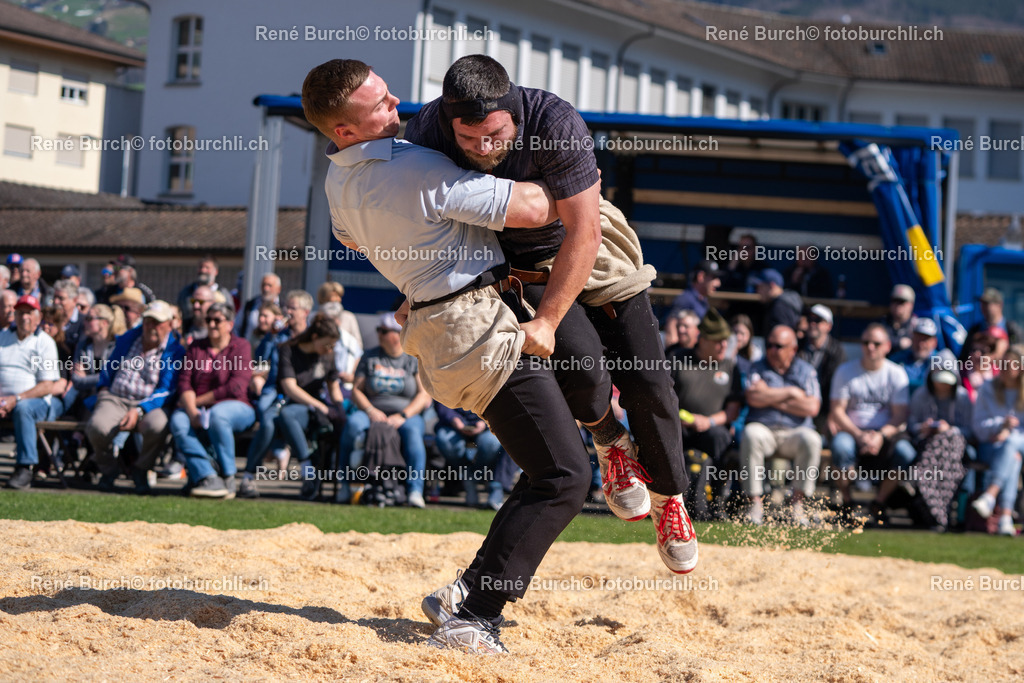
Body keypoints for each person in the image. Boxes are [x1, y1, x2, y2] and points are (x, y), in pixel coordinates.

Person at [302, 58, 695, 654]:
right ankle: (473, 611)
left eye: (389, 96)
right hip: (476, 322)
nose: (396, 109)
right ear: (346, 131)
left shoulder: (340, 181)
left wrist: (414, 264)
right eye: (380, 107)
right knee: (563, 474)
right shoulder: (419, 161)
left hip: (462, 322)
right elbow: (538, 209)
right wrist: (564, 179)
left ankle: (471, 594)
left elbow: (351, 237)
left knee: (614, 396)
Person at [405, 55, 695, 554]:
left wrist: (548, 319)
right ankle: (611, 442)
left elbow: (583, 230)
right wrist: (410, 293)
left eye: (494, 135)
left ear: (513, 111)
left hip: (587, 242)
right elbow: (415, 223)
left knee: (648, 380)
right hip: (517, 257)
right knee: (581, 367)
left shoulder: (554, 121)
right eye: (469, 140)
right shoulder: (427, 131)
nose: (483, 148)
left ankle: (671, 499)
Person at [84, 301, 186, 494]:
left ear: (169, 325)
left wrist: (140, 410)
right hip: (116, 397)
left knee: (158, 426)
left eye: (157, 322)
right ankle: (109, 470)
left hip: (150, 403)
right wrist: (103, 389)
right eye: (147, 321)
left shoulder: (175, 351)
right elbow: (109, 368)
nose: (151, 327)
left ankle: (141, 469)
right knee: (97, 427)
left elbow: (168, 390)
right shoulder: (128, 339)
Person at [337, 313, 432, 507]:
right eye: (383, 331)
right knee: (353, 426)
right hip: (371, 410)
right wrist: (370, 410)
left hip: (406, 413)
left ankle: (415, 491)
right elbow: (356, 390)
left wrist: (403, 416)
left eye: (387, 331)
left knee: (414, 434)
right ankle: (345, 485)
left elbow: (424, 395)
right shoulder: (370, 357)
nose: (381, 335)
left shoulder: (412, 358)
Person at [170, 301, 255, 499]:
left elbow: (236, 387)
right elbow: (184, 382)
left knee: (217, 416)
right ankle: (208, 476)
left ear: (230, 324)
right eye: (209, 320)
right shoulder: (196, 347)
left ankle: (228, 477)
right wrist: (192, 412)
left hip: (237, 406)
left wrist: (197, 402)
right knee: (178, 422)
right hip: (196, 407)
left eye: (218, 320)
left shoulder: (241, 346)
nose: (212, 324)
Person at [828, 323, 914, 515]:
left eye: (876, 343)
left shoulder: (896, 373)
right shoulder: (845, 371)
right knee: (841, 447)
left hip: (886, 433)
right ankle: (847, 503)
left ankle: (879, 503)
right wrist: (859, 435)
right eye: (866, 342)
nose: (870, 347)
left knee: (905, 452)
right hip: (852, 431)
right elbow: (837, 411)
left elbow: (900, 414)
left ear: (887, 346)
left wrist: (880, 436)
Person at [740, 325, 822, 525]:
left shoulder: (806, 370)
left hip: (794, 433)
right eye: (769, 345)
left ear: (793, 349)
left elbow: (812, 407)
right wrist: (792, 393)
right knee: (751, 433)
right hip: (765, 430)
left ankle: (797, 504)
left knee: (812, 439)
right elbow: (752, 397)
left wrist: (768, 394)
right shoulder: (757, 366)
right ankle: (756, 503)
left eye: (778, 346)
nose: (772, 350)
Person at [670, 307, 743, 519]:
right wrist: (682, 417)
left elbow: (732, 411)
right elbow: (663, 397)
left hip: (711, 427)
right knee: (665, 437)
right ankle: (666, 499)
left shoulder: (730, 367)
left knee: (721, 438)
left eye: (725, 341)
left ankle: (716, 500)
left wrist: (708, 421)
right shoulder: (678, 358)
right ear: (702, 340)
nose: (723, 346)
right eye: (718, 341)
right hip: (679, 425)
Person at [275, 313, 346, 500]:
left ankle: (324, 475)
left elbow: (333, 387)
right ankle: (308, 469)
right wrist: (321, 407)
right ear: (314, 337)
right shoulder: (289, 350)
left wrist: (339, 408)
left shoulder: (327, 356)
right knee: (287, 415)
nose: (330, 349)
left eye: (333, 345)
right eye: (327, 344)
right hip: (294, 402)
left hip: (315, 407)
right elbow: (290, 388)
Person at [0, 295, 60, 490]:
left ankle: (25, 467)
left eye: (29, 313)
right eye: (20, 312)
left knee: (23, 409)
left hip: (36, 401)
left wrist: (15, 399)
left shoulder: (45, 343)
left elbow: (47, 386)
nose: (24, 317)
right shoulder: (3, 336)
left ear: (38, 316)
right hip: (3, 400)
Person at [905, 367, 971, 530]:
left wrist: (949, 429)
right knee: (933, 458)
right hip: (926, 444)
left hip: (953, 447)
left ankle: (938, 511)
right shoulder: (921, 395)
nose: (942, 385)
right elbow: (911, 425)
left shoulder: (962, 398)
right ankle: (934, 510)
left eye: (946, 382)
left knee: (950, 454)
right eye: (939, 381)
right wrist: (924, 427)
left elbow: (969, 430)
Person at [237, 302, 291, 499]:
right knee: (262, 407)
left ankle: (276, 448)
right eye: (260, 316)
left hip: (281, 387)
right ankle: (275, 449)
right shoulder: (266, 338)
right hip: (267, 387)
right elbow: (260, 361)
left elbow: (277, 366)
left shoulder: (289, 336)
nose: (262, 320)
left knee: (268, 414)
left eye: (267, 316)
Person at [971, 345, 1024, 536]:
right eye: (1002, 363)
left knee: (1011, 444)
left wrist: (1009, 432)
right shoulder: (987, 388)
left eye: (1009, 365)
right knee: (1013, 456)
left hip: (1017, 443)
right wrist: (1000, 425)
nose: (1003, 368)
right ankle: (1005, 518)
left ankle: (990, 495)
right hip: (991, 447)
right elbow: (977, 426)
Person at [433, 400, 506, 510]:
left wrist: (484, 421)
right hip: (453, 423)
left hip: (486, 423)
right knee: (445, 439)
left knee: (493, 442)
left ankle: (472, 475)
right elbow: (440, 401)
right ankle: (468, 476)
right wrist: (454, 420)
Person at [64, 304, 124, 419]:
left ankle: (80, 436)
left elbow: (114, 378)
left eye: (89, 319)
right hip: (85, 398)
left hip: (110, 399)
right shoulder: (83, 345)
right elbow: (76, 380)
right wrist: (101, 377)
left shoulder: (117, 346)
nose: (84, 323)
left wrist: (86, 378)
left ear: (104, 323)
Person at [798, 304, 846, 433]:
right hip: (799, 405)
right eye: (810, 320)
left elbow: (839, 387)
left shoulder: (837, 351)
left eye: (818, 321)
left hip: (825, 409)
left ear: (828, 326)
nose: (812, 324)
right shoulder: (797, 345)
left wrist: (832, 415)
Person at [889, 317, 958, 397]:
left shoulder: (942, 361)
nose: (921, 344)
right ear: (912, 338)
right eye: (918, 338)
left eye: (925, 339)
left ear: (934, 342)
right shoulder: (897, 359)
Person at [751, 268, 802, 336]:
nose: (757, 291)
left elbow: (781, 337)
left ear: (772, 285)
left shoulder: (779, 306)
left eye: (760, 287)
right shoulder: (784, 302)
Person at [177, 255, 221, 327]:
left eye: (207, 267)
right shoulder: (185, 293)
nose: (203, 270)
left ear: (215, 271)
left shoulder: (224, 294)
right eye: (201, 267)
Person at [317, 281, 363, 350]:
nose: (338, 299)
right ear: (324, 298)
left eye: (339, 296)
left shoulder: (349, 317)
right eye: (334, 296)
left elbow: (358, 345)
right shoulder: (315, 317)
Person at [235, 273, 281, 341]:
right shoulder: (250, 305)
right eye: (263, 285)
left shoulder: (283, 308)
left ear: (278, 289)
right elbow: (236, 326)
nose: (266, 288)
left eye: (269, 285)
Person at [51, 279, 84, 355]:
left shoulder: (83, 322)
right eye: (55, 297)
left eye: (61, 298)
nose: (56, 302)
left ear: (75, 300)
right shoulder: (48, 320)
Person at [883, 284, 918, 354]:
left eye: (902, 302)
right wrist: (899, 342)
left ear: (911, 304)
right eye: (894, 301)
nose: (897, 305)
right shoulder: (883, 322)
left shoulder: (916, 324)